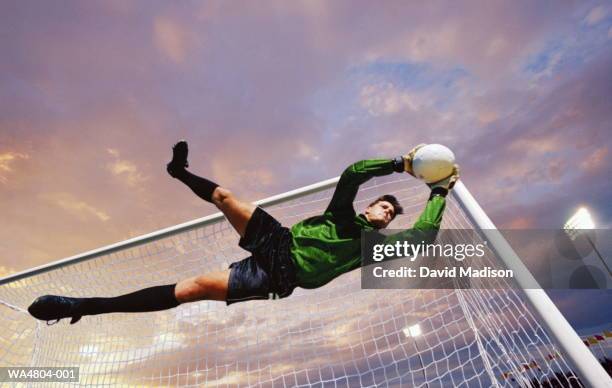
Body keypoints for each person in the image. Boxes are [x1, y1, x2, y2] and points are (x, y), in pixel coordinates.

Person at [28, 141, 459, 324]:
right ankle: (179, 172)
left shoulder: (373, 248)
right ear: (370, 205)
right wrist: (401, 163)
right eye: (382, 205)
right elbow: (351, 173)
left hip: (280, 277)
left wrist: (438, 192)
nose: (384, 214)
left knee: (191, 290)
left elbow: (422, 236)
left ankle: (82, 306)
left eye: (389, 213)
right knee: (226, 197)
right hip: (279, 241)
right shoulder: (342, 215)